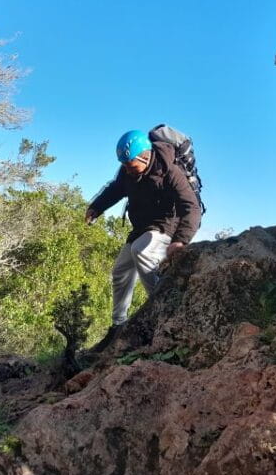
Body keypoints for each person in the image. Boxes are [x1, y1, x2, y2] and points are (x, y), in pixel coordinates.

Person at [86, 129, 201, 348]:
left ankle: (161, 310)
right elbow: (115, 190)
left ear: (145, 157)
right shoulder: (127, 171)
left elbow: (192, 206)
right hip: (142, 226)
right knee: (120, 270)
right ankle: (118, 326)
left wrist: (181, 240)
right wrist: (96, 207)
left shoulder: (169, 171)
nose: (128, 170)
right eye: (125, 165)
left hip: (168, 225)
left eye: (131, 165)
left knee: (143, 250)